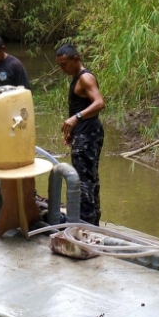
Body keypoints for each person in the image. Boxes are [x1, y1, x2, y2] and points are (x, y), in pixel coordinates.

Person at [56, 44, 105, 225]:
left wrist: (75, 118)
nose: (63, 69)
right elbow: (83, 106)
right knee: (89, 178)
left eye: (64, 64)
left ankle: (86, 222)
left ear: (75, 59)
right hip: (84, 134)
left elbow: (99, 103)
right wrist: (72, 132)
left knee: (84, 181)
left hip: (88, 134)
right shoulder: (77, 77)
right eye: (60, 65)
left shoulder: (85, 78)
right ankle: (92, 220)